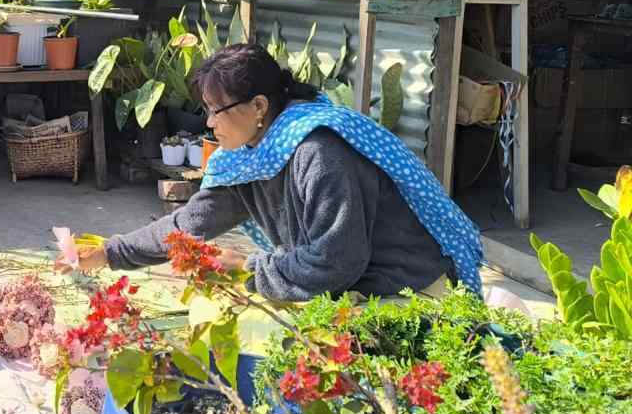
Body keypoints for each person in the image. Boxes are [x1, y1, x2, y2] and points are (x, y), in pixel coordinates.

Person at [63, 43, 484, 303]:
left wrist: (249, 268)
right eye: (206, 111)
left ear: (260, 107)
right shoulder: (250, 157)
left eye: (216, 111)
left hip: (405, 290)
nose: (209, 124)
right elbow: (188, 225)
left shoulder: (317, 151)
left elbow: (338, 261)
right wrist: (109, 252)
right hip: (349, 283)